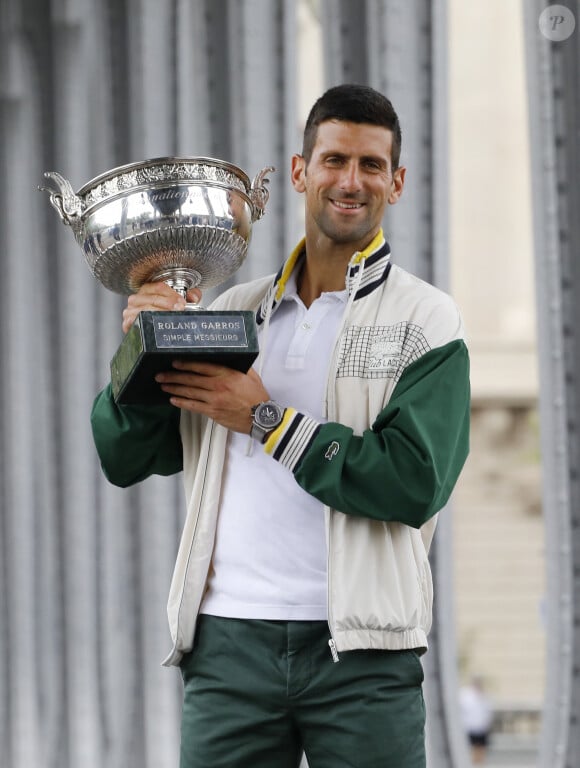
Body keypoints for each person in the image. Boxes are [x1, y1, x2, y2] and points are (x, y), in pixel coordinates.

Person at [91, 83, 470, 768]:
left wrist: (266, 418)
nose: (350, 181)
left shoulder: (427, 319)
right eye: (333, 160)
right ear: (300, 172)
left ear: (398, 182)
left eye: (371, 165)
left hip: (363, 656)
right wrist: (141, 347)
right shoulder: (234, 309)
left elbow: (415, 481)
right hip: (229, 648)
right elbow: (127, 455)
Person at [459, 677, 494, 764]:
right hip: (470, 728)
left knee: (481, 752)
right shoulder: (465, 696)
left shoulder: (485, 697)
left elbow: (488, 714)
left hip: (481, 729)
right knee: (471, 751)